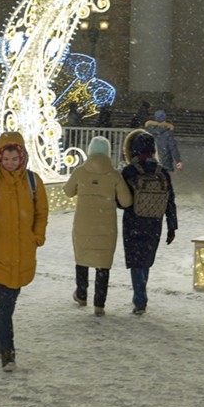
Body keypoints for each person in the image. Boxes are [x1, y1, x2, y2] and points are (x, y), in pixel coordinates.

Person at [0, 130, 48, 369]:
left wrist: (36, 236)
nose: (10, 164)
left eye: (14, 159)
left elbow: (41, 212)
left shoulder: (33, 181)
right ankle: (8, 350)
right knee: (4, 302)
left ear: (22, 158)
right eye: (5, 159)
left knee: (11, 299)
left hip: (24, 251)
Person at [69, 135, 132, 315]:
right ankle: (99, 304)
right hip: (106, 227)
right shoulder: (114, 175)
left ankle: (81, 294)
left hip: (82, 226)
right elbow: (126, 201)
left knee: (82, 258)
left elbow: (67, 191)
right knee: (103, 263)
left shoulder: (80, 172)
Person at [121, 131, 177, 314]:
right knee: (146, 259)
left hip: (133, 221)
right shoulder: (162, 173)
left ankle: (140, 298)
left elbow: (122, 201)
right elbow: (170, 201)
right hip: (155, 222)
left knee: (135, 260)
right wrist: (172, 226)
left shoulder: (129, 171)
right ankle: (141, 292)